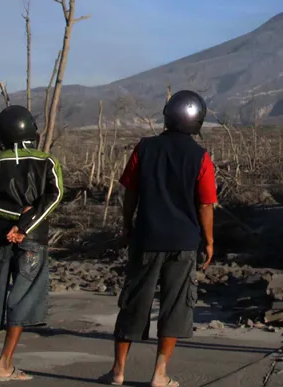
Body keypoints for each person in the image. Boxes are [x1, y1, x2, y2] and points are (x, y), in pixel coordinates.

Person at [100, 90, 218, 387]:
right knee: (175, 307)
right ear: (197, 121)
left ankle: (118, 371)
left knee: (133, 304)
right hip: (183, 242)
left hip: (147, 238)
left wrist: (127, 226)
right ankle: (160, 374)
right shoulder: (200, 157)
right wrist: (209, 240)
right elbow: (205, 204)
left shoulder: (145, 148)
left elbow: (130, 192)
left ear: (168, 115)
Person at [0, 105, 63, 382]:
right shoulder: (46, 161)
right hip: (32, 240)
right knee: (22, 301)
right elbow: (54, 197)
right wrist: (23, 225)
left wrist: (12, 219)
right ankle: (5, 364)